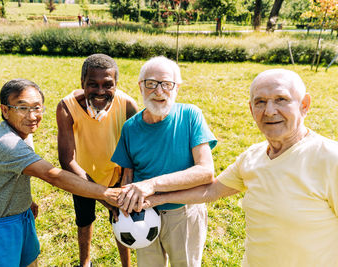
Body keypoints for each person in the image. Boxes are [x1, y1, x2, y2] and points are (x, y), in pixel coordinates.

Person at [140, 69, 338, 267]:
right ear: (251, 110)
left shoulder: (330, 159)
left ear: (304, 105)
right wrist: (156, 198)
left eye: (281, 99)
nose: (269, 111)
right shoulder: (253, 156)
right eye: (260, 102)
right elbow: (211, 190)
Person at [0, 79, 121, 267]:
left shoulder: (23, 132)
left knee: (30, 262)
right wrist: (106, 193)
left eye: (37, 108)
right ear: (5, 110)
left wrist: (26, 201)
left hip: (22, 214)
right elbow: (52, 175)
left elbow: (15, 174)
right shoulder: (7, 144)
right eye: (22, 108)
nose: (32, 116)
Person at [111, 56, 217, 267]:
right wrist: (124, 202)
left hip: (183, 214)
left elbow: (206, 171)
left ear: (176, 88)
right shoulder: (130, 128)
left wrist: (152, 185)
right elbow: (128, 175)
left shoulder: (190, 115)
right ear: (140, 86)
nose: (159, 91)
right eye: (151, 84)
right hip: (143, 214)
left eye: (167, 84)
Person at [56, 54, 139, 267]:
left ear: (116, 85)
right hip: (81, 176)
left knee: (121, 219)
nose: (100, 91)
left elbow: (135, 151)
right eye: (92, 84)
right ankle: (85, 264)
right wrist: (102, 196)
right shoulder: (66, 107)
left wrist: (121, 189)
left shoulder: (128, 105)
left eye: (107, 85)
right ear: (82, 83)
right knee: (84, 222)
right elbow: (67, 160)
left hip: (117, 174)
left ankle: (126, 265)